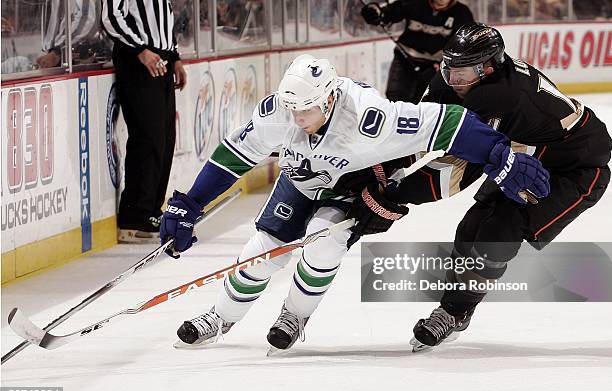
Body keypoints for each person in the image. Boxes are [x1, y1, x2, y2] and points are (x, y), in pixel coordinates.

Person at [159, 53, 549, 352]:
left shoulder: (368, 117)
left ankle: (294, 315)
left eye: (307, 111)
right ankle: (221, 317)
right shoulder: (279, 111)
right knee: (263, 252)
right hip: (299, 182)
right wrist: (191, 203)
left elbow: (447, 123)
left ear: (329, 100)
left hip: (349, 186)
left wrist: (500, 155)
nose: (297, 119)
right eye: (292, 110)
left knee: (323, 242)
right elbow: (231, 158)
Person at [346, 23, 612, 351]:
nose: (453, 80)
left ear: (488, 68)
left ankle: (455, 310)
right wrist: (382, 169)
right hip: (522, 150)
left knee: (499, 231)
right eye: (448, 68)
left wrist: (392, 196)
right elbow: (422, 132)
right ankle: (454, 306)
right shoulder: (452, 80)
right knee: (470, 227)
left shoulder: (501, 96)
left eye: (463, 73)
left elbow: (457, 172)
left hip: (573, 168)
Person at [102, 0, 188, 242]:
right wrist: (140, 50)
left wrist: (175, 57)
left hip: (161, 59)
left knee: (165, 138)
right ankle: (134, 216)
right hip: (137, 60)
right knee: (148, 137)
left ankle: (151, 211)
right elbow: (111, 16)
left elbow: (164, 17)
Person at [361, 0, 473, 103]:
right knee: (395, 98)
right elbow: (390, 13)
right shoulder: (415, 2)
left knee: (426, 103)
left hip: (435, 67)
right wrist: (377, 12)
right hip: (405, 59)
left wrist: (444, 65)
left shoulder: (461, 13)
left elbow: (464, 45)